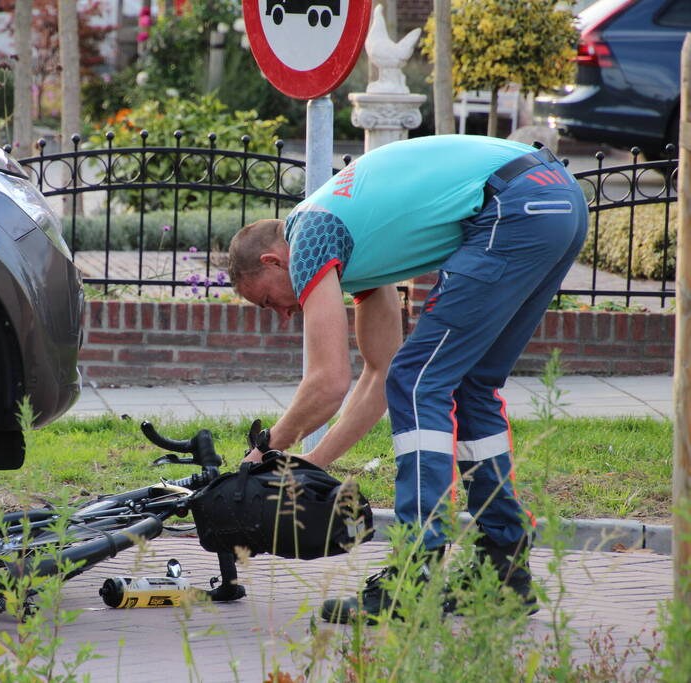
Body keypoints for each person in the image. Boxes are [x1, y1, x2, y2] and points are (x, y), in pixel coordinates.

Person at [227, 134, 588, 622]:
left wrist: (266, 451)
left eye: (269, 300)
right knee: (468, 385)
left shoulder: (307, 234)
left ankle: (416, 573)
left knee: (421, 378)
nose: (284, 314)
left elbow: (329, 381)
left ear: (272, 262)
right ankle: (503, 569)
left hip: (514, 205)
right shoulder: (352, 249)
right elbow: (378, 375)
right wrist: (310, 463)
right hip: (557, 199)